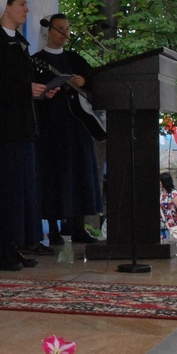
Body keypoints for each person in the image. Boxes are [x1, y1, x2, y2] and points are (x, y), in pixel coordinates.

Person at [0, 0, 58, 271]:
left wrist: (42, 90)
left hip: (20, 128)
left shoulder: (19, 41)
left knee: (18, 191)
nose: (26, 9)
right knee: (2, 191)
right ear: (5, 7)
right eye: (21, 3)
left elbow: (21, 82)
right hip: (1, 132)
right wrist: (26, 89)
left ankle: (13, 245)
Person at [34, 13, 102, 245]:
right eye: (60, 28)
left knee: (80, 175)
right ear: (49, 31)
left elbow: (95, 83)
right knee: (53, 176)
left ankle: (79, 227)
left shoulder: (75, 59)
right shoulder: (37, 60)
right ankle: (52, 230)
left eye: (67, 29)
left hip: (77, 127)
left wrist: (85, 81)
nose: (65, 33)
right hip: (51, 129)